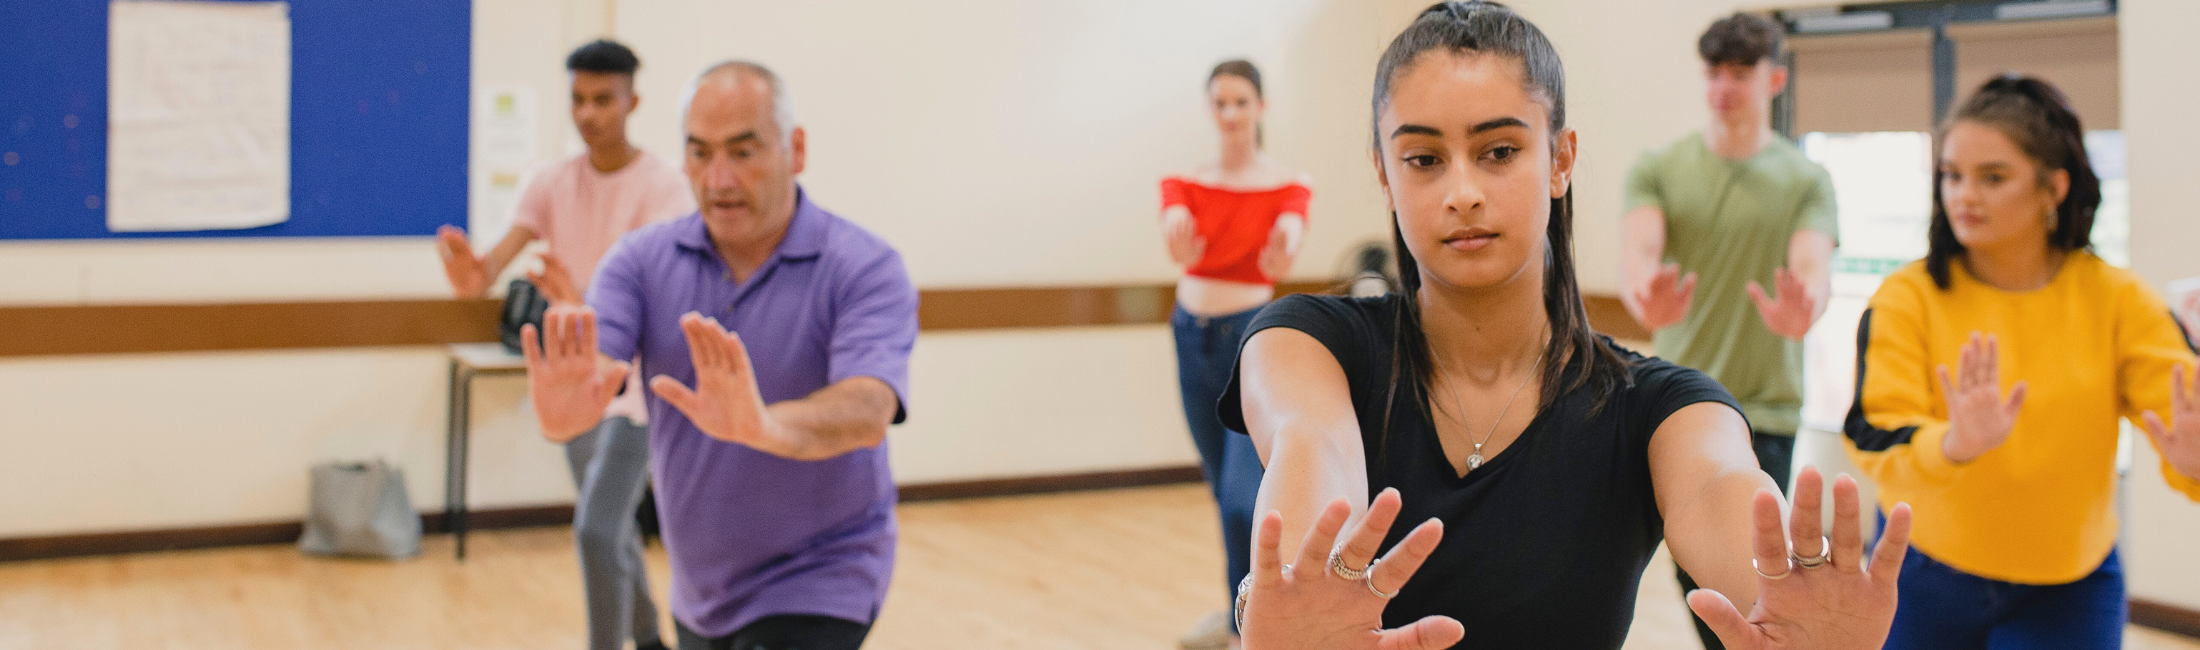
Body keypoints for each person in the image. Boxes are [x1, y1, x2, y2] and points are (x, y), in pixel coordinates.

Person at [1222, 3, 1912, 649]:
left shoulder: (1659, 406)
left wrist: (1787, 598)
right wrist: (1295, 589)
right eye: (1424, 159)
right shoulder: (1308, 343)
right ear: (1384, 172)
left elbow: (1718, 483)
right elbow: (1314, 446)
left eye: (1499, 152)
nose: (1463, 192)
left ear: (1560, 160)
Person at [520, 61, 918, 650]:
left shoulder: (863, 266)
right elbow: (589, 381)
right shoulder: (638, 262)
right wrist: (562, 411)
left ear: (796, 149)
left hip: (824, 574)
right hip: (702, 592)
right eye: (700, 154)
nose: (719, 178)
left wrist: (765, 424)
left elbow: (867, 409)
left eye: (743, 152)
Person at [1845, 75, 2200, 650]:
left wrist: (2196, 460)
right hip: (1920, 575)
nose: (1963, 195)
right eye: (1952, 175)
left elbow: (2182, 410)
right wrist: (1955, 443)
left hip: (2067, 590)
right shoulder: (1905, 297)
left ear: (2053, 189)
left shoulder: (2118, 300)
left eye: (1993, 177)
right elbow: (1872, 434)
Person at [432, 39, 692, 650]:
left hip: (634, 389)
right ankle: (651, 641)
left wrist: (580, 303)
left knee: (597, 531)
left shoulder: (664, 189)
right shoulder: (550, 182)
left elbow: (658, 301)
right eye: (578, 99)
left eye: (604, 99)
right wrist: (474, 275)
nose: (588, 114)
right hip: (575, 384)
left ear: (633, 101)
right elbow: (490, 265)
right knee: (615, 532)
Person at [1614, 15, 1838, 647]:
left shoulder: (1805, 180)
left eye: (1741, 73)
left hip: (1764, 412)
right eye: (1715, 72)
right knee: (1696, 586)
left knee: (1749, 586)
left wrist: (1806, 306)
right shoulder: (1659, 167)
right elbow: (1640, 251)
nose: (1725, 88)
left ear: (1774, 78)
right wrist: (1644, 293)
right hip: (1677, 408)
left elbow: (1811, 265)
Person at [1159, 58, 1313, 650]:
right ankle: (1236, 614)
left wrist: (1287, 243)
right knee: (1221, 490)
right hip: (1189, 334)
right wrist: (1175, 223)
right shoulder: (1184, 182)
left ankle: (1254, 623)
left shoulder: (1286, 184)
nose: (1229, 114)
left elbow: (1291, 231)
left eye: (1241, 102)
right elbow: (1173, 217)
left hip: (1251, 339)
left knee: (1246, 497)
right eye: (1219, 103)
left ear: (1260, 108)